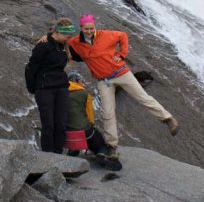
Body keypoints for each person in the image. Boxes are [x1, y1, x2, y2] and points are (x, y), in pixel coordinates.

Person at [67, 14, 178, 158]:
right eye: (86, 29)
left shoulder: (106, 35)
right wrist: (46, 39)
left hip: (121, 73)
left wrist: (122, 54)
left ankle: (168, 119)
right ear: (81, 28)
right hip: (103, 81)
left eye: (91, 28)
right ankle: (112, 146)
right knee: (107, 113)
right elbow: (62, 41)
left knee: (143, 98)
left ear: (95, 27)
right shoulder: (75, 42)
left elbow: (123, 36)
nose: (89, 31)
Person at [25, 18, 76, 153]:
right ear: (58, 32)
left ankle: (58, 156)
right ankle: (48, 157)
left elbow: (88, 38)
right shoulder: (43, 45)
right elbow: (31, 68)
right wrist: (33, 88)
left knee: (61, 124)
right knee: (49, 125)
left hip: (61, 88)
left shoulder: (63, 46)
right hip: (44, 88)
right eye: (67, 36)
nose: (68, 39)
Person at [64, 72, 121, 170]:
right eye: (82, 81)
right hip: (84, 130)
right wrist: (91, 126)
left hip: (66, 133)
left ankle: (74, 148)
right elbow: (90, 115)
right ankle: (101, 153)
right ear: (76, 81)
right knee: (97, 139)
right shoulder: (84, 93)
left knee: (75, 131)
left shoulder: (60, 93)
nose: (83, 83)